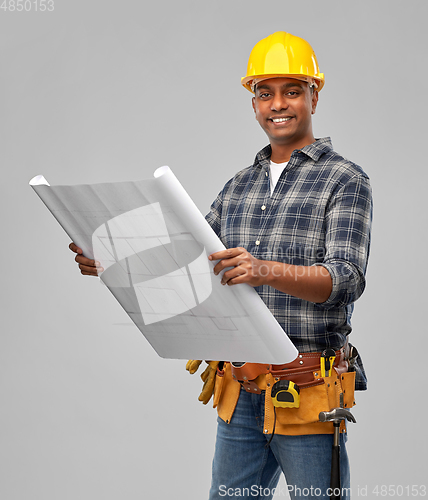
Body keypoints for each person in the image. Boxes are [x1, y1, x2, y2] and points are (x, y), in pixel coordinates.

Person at [69, 32, 372, 500]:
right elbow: (187, 255)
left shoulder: (344, 180)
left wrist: (263, 270)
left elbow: (345, 280)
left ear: (315, 94)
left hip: (308, 397)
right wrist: (113, 259)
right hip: (241, 392)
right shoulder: (238, 186)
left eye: (292, 91)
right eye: (264, 93)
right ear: (253, 103)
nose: (278, 104)